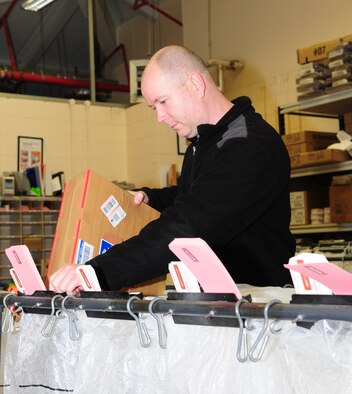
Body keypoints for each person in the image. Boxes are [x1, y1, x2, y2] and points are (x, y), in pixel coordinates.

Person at [49, 45, 296, 295]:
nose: (160, 117)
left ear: (195, 84)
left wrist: (97, 272)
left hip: (259, 303)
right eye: (154, 107)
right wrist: (151, 199)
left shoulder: (248, 144)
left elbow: (187, 228)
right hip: (221, 301)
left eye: (163, 101)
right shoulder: (204, 143)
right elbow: (198, 194)